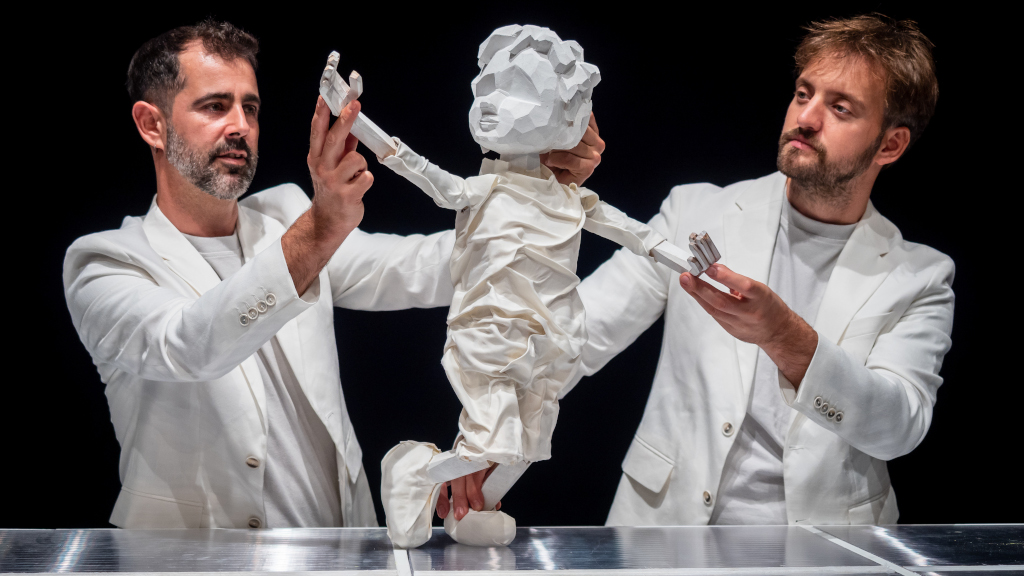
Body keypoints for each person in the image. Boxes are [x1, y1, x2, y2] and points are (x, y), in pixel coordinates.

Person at [62, 20, 603, 529]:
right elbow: (188, 346)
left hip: (338, 552)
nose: (240, 126)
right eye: (214, 106)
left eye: (250, 107)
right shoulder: (104, 262)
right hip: (190, 563)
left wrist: (535, 200)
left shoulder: (283, 215)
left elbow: (419, 267)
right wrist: (320, 228)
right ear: (151, 124)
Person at [570, 14, 952, 525]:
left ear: (890, 144)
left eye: (840, 108)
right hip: (666, 530)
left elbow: (898, 428)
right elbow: (579, 333)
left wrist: (785, 336)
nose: (806, 118)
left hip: (823, 548)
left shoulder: (920, 276)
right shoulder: (694, 212)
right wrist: (491, 436)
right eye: (803, 94)